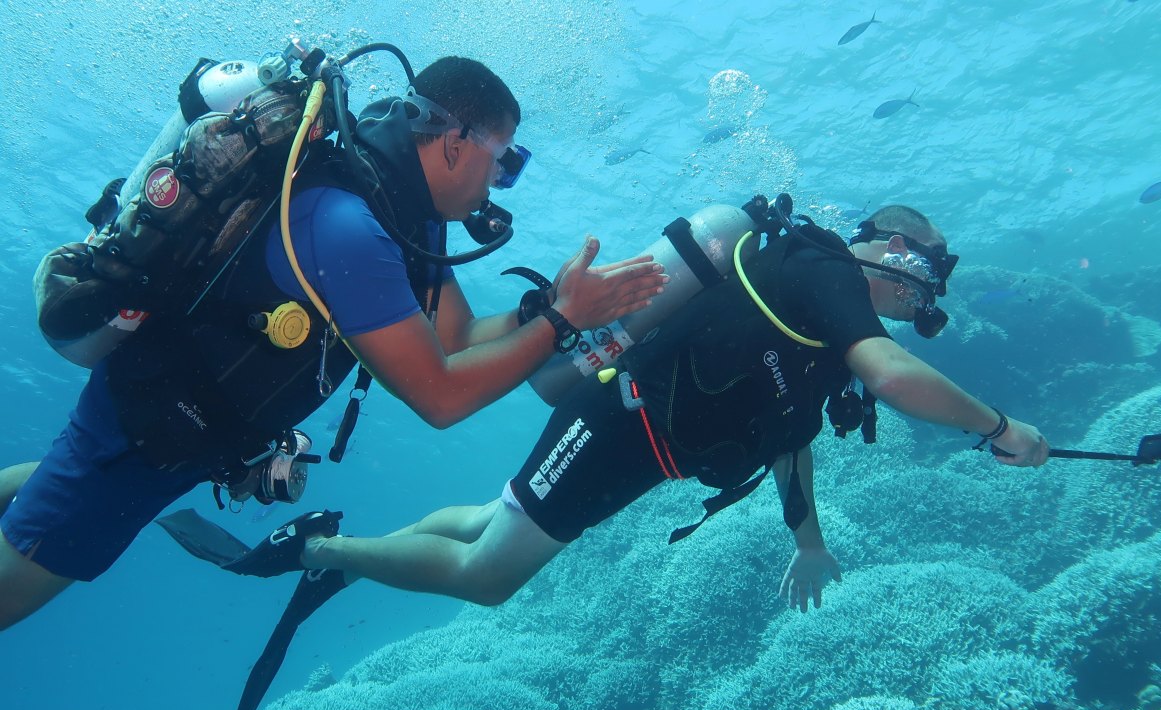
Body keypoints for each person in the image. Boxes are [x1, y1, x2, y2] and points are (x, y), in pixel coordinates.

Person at [0, 55, 666, 629]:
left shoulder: (408, 218)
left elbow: (457, 337)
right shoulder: (350, 226)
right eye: (506, 161)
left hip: (195, 437)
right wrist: (561, 322)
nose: (501, 182)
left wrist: (551, 305)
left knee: (62, 476)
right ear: (456, 142)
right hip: (145, 435)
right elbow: (439, 396)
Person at [291, 204, 1051, 613]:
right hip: (618, 424)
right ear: (889, 245)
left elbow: (789, 437)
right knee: (488, 579)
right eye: (927, 264)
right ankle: (323, 554)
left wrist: (809, 543)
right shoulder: (826, 271)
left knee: (498, 519)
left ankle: (352, 553)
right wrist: (999, 427)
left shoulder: (825, 332)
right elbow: (892, 375)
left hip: (638, 447)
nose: (928, 289)